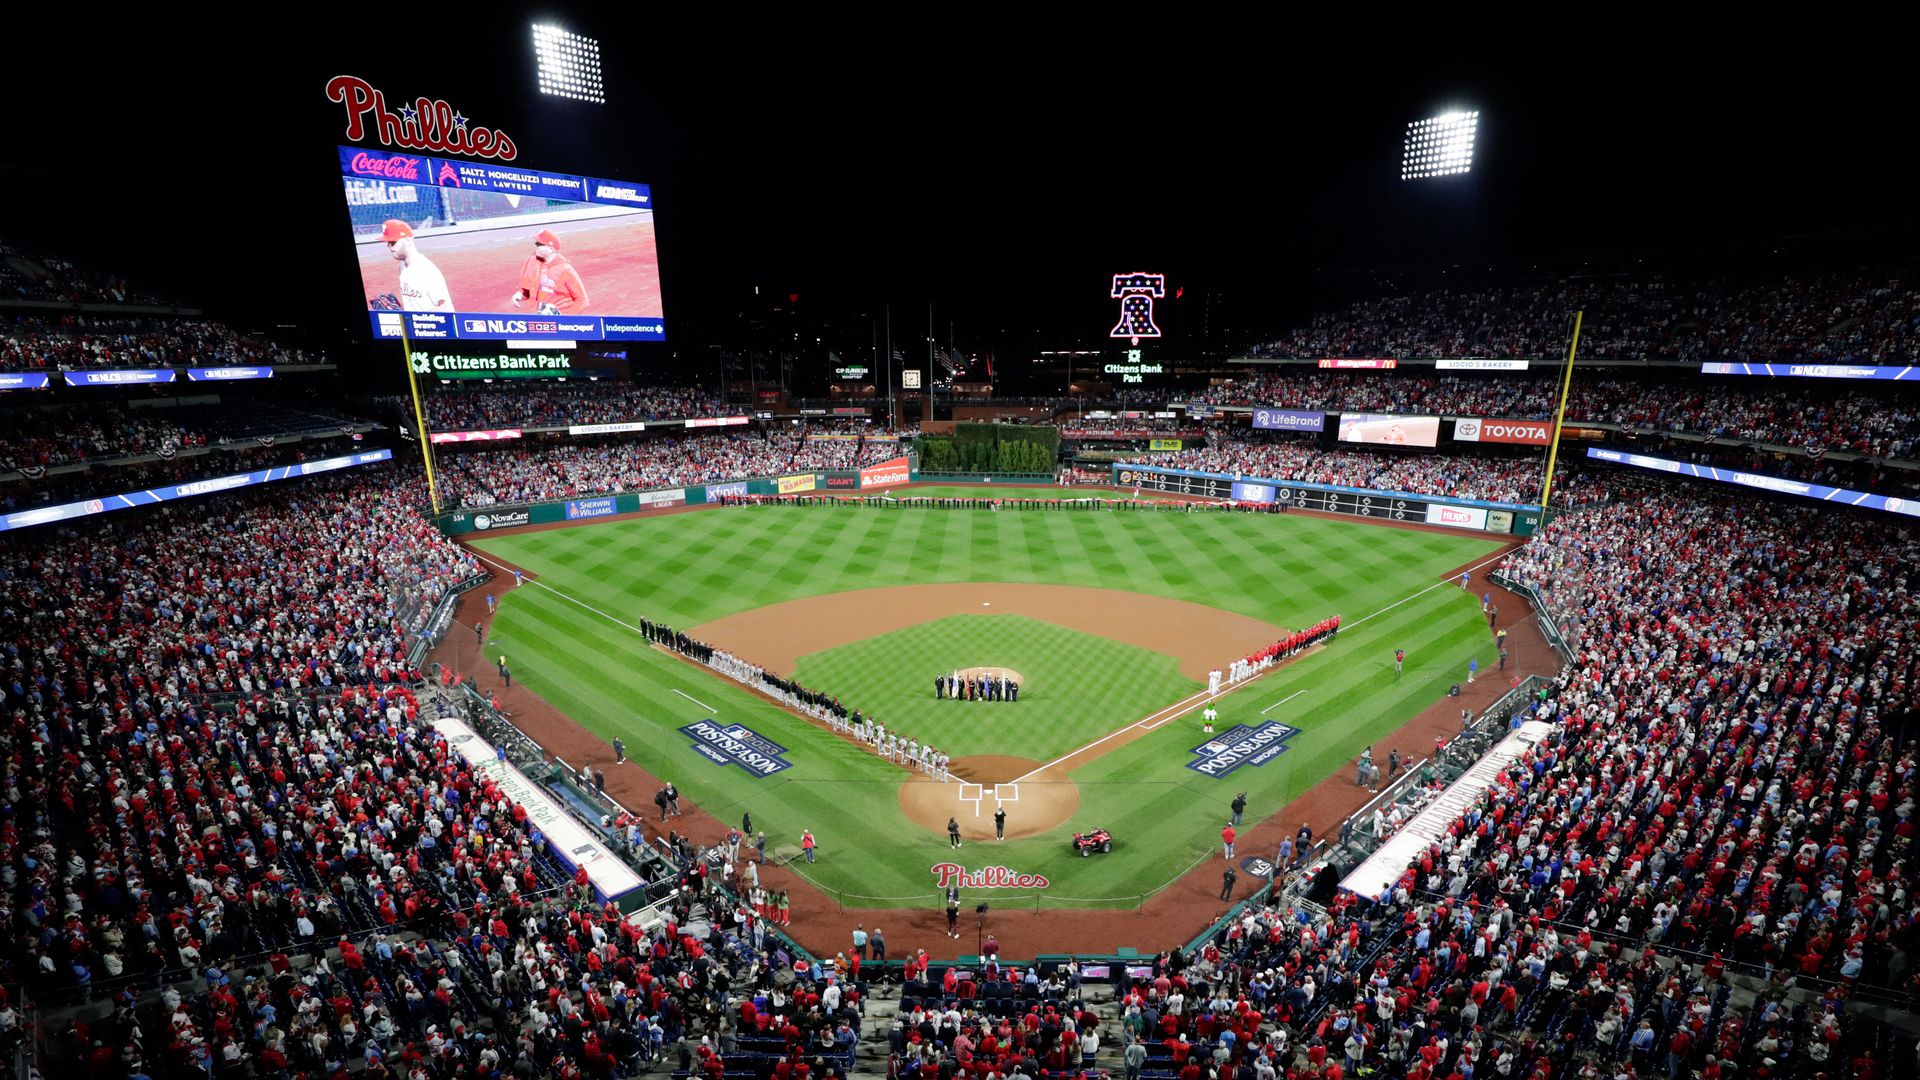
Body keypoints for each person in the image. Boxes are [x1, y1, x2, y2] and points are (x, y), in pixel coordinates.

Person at [507, 228, 589, 314]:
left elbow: (582, 299)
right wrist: (520, 294)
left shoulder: (565, 270)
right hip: (544, 316)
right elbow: (531, 288)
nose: (536, 246)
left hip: (561, 318)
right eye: (536, 243)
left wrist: (565, 318)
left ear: (551, 249)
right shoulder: (536, 264)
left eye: (539, 244)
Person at [378, 219, 453, 311]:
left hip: (434, 324)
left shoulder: (426, 270)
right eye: (388, 242)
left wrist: (418, 318)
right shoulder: (402, 267)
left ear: (407, 241)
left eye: (393, 242)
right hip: (414, 324)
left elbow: (447, 308)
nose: (389, 246)